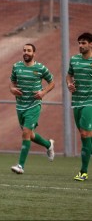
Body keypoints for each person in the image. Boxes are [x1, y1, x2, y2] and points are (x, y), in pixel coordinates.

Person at [9, 43, 55, 174]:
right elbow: (12, 83)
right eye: (24, 50)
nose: (26, 52)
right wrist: (12, 89)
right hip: (20, 106)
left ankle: (20, 166)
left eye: (29, 51)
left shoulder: (40, 68)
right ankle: (48, 145)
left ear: (34, 53)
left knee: (25, 133)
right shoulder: (16, 67)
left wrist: (43, 92)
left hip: (34, 105)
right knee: (30, 134)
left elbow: (52, 83)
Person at [66, 32, 92, 181]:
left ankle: (83, 172)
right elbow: (69, 75)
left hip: (90, 103)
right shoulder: (74, 59)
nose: (80, 46)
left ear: (91, 44)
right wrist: (69, 84)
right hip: (76, 103)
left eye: (83, 43)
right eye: (79, 43)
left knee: (85, 135)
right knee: (86, 140)